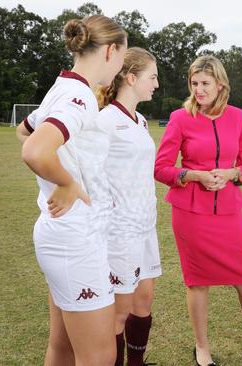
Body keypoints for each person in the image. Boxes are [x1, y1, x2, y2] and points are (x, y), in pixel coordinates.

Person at [154, 55, 242, 366]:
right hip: (190, 213)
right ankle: (202, 348)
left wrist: (232, 174)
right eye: (194, 83)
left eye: (205, 84)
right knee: (198, 282)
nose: (198, 90)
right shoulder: (179, 118)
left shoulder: (238, 117)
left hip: (228, 211)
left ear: (220, 85)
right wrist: (193, 175)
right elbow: (160, 169)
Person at [15, 15, 127, 366]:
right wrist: (65, 182)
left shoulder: (63, 87)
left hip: (67, 235)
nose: (122, 66)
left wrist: (64, 174)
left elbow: (24, 129)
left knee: (63, 347)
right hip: (73, 238)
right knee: (99, 355)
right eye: (122, 57)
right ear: (110, 51)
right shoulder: (80, 95)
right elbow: (33, 149)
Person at [96, 47, 161, 366]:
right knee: (118, 313)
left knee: (144, 301)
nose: (157, 84)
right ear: (132, 78)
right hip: (119, 231)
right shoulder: (104, 121)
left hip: (145, 226)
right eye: (152, 77)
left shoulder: (142, 121)